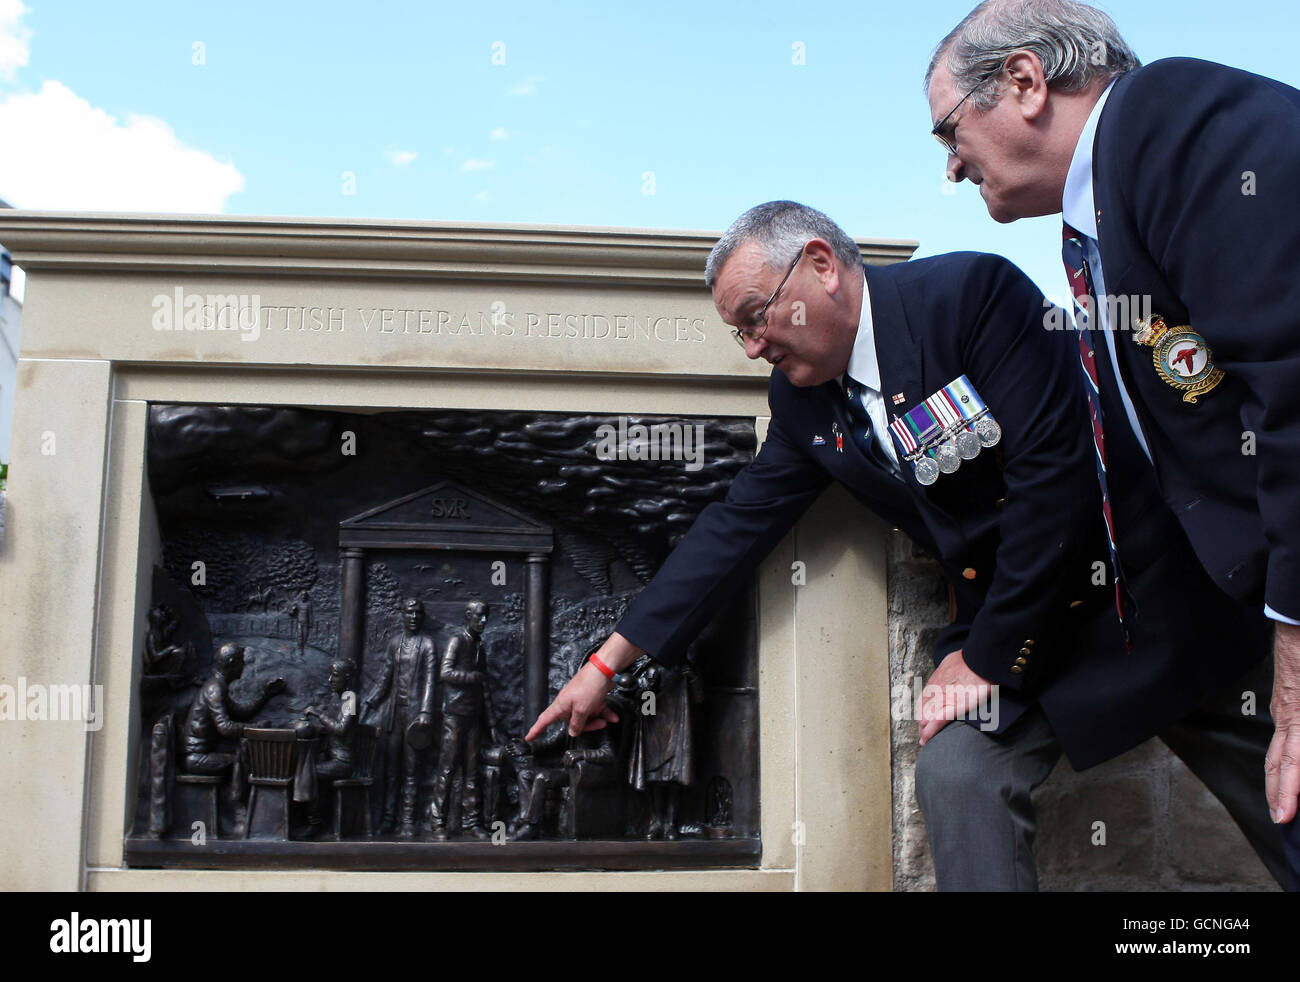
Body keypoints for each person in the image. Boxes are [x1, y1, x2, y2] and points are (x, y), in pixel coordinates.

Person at [527, 200, 1292, 889]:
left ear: (822, 266)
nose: (754, 346)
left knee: (1286, 789)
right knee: (959, 776)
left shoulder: (968, 299)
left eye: (757, 315)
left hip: (1145, 602)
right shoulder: (801, 402)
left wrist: (984, 659)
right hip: (1022, 638)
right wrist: (609, 661)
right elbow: (733, 526)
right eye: (740, 331)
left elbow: (1053, 486)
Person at [926, 0, 1300, 886]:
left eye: (947, 130)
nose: (949, 164)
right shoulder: (1095, 230)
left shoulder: (1168, 122)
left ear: (1023, 81)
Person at [363, 598, 437, 838]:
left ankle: (408, 820)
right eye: (409, 612)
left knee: (411, 769)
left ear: (422, 616)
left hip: (416, 717)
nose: (413, 617)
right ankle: (388, 819)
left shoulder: (427, 644)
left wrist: (425, 711)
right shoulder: (395, 643)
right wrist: (369, 702)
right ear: (402, 615)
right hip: (394, 715)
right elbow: (386, 676)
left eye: (418, 613)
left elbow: (429, 681)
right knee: (391, 770)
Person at [430, 600, 499, 840]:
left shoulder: (479, 644)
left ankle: (472, 823)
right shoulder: (457, 640)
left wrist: (491, 724)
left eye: (486, 617)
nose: (483, 621)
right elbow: (445, 672)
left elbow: (485, 687)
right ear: (468, 615)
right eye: (479, 616)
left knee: (472, 771)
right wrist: (472, 676)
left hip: (474, 715)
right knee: (447, 768)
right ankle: (437, 821)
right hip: (454, 714)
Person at [183, 642, 285, 798]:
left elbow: (240, 712)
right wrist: (254, 728)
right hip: (197, 758)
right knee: (243, 760)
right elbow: (225, 727)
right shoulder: (215, 689)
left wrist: (265, 695)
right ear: (232, 663)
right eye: (241, 661)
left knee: (244, 755)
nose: (244, 665)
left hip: (201, 755)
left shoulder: (218, 686)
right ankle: (239, 808)